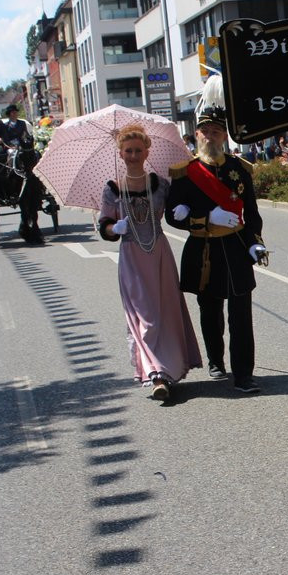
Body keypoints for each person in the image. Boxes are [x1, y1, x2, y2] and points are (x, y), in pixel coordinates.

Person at [166, 76, 267, 394]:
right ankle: (215, 361)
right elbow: (172, 215)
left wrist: (255, 243)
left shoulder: (240, 170)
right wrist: (203, 217)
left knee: (241, 314)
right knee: (210, 310)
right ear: (196, 134)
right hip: (204, 251)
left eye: (216, 131)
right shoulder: (184, 172)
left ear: (224, 135)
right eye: (205, 131)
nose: (210, 136)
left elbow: (251, 212)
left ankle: (244, 374)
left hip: (235, 247)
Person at [99, 124, 202, 400]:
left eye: (138, 150)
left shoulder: (160, 185)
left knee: (165, 311)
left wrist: (185, 209)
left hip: (159, 254)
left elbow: (175, 211)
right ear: (120, 154)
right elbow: (104, 225)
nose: (133, 155)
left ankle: (168, 370)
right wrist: (114, 229)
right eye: (128, 150)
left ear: (147, 152)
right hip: (132, 257)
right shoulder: (112, 189)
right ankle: (155, 373)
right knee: (145, 316)